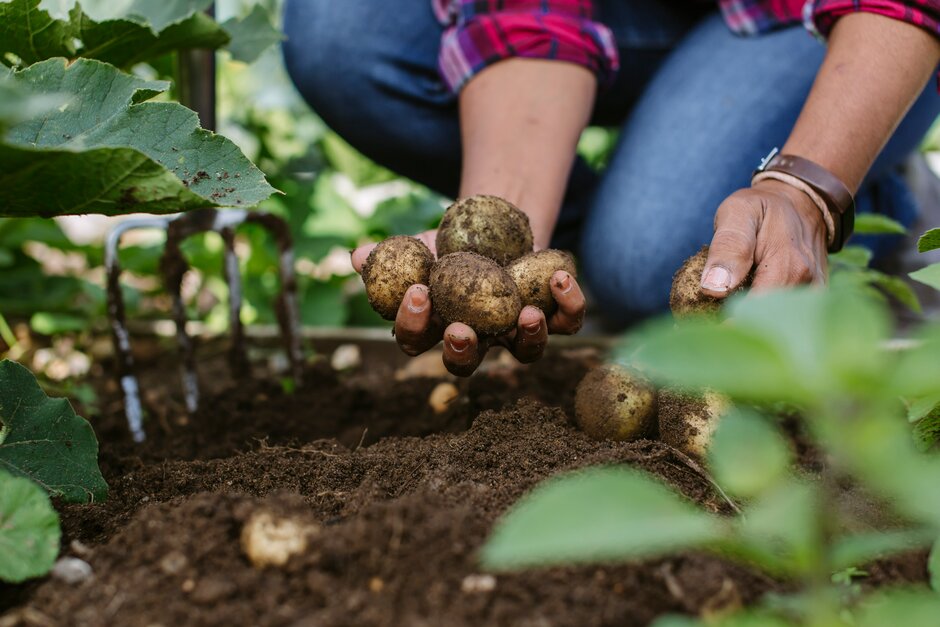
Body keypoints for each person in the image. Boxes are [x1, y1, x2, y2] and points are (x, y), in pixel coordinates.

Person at [283, 0, 940, 376]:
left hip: (826, 16)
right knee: (342, 30)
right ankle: (624, 223)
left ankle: (873, 197)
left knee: (645, 264)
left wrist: (807, 188)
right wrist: (504, 237)